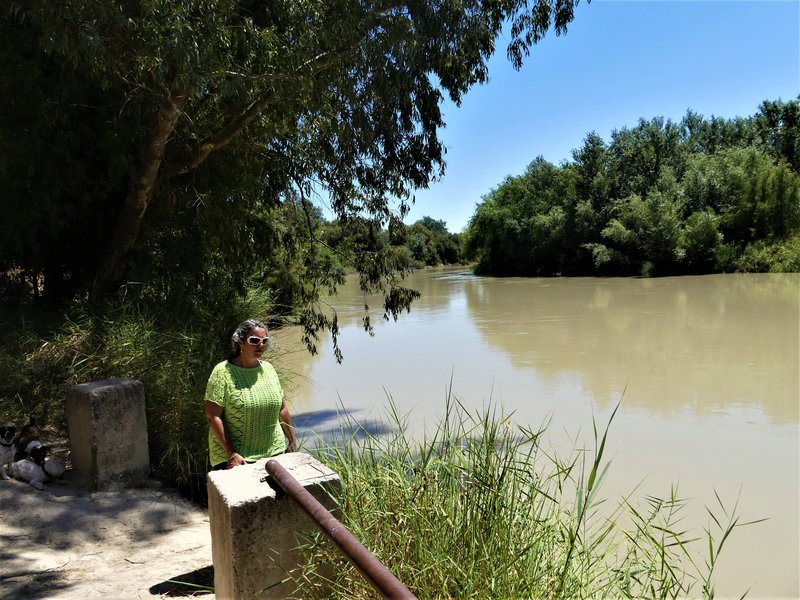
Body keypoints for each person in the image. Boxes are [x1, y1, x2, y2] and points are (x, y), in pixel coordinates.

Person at [204, 319, 297, 470]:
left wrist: (292, 441)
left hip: (275, 452)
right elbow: (213, 416)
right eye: (254, 340)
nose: (260, 345)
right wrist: (232, 453)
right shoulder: (222, 372)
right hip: (237, 458)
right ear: (240, 341)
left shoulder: (269, 369)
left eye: (264, 341)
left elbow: (282, 409)